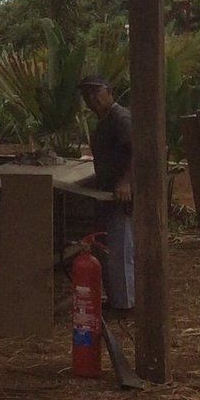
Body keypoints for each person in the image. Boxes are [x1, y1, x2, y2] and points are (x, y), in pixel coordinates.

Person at [78, 74, 135, 310]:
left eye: (96, 92)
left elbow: (139, 151)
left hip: (121, 194)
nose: (92, 98)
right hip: (106, 193)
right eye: (87, 94)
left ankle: (125, 305)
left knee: (120, 250)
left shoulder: (121, 118)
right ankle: (117, 299)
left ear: (109, 91)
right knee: (108, 247)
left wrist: (126, 182)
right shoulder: (103, 121)